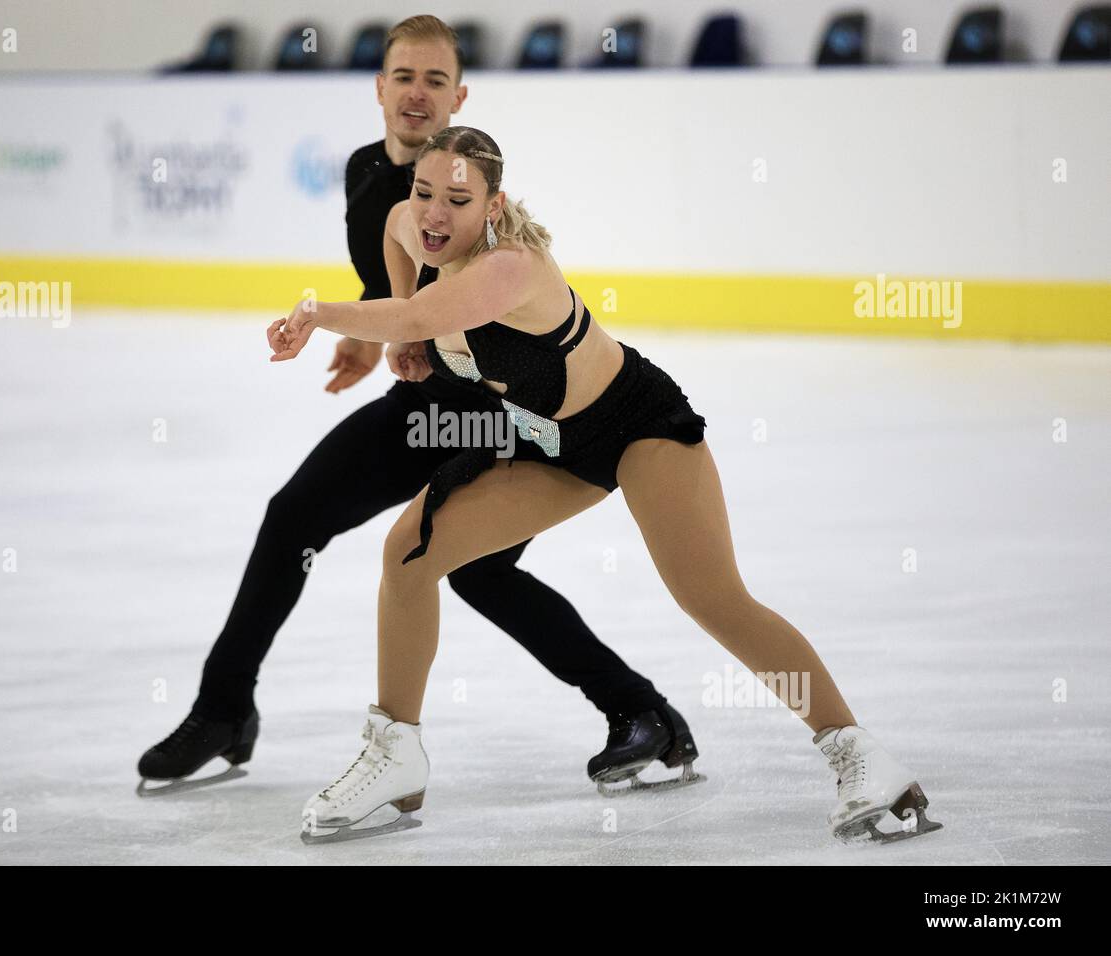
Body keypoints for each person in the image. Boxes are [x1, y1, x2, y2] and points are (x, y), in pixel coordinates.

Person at [269, 125, 943, 846]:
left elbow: (417, 313)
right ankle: (395, 757)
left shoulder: (511, 268)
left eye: (457, 200)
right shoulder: (414, 220)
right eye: (425, 190)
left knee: (711, 597)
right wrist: (408, 343)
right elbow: (398, 245)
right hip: (548, 442)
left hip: (634, 427)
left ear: (492, 207)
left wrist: (327, 316)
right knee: (409, 554)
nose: (434, 213)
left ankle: (860, 754)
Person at [137, 16, 702, 797]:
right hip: (428, 401)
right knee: (294, 513)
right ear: (379, 87)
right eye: (404, 76)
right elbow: (402, 287)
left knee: (476, 572)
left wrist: (382, 326)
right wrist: (376, 337)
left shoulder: (474, 198)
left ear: (458, 96)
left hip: (507, 414)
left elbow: (469, 307)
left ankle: (641, 711)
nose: (417, 93)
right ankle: (224, 708)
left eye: (436, 81)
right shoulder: (367, 176)